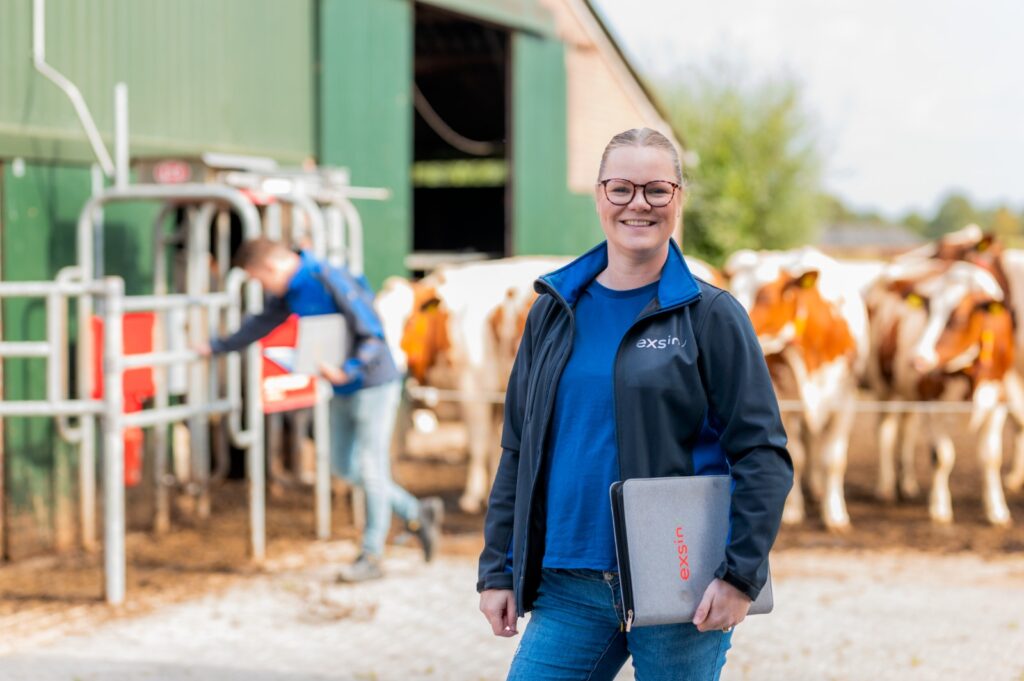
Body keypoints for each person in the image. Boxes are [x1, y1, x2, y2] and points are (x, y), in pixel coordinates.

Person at [477, 128, 793, 680]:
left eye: (656, 190)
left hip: (680, 585)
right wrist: (498, 569)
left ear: (678, 198)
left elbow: (762, 454)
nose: (638, 204)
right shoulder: (552, 311)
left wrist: (739, 576)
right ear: (599, 195)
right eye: (621, 188)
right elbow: (518, 448)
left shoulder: (710, 315)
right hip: (567, 582)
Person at [200, 237, 443, 582]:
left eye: (259, 279)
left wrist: (350, 369)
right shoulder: (291, 290)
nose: (263, 287)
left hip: (371, 383)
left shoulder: (328, 277)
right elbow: (262, 324)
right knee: (342, 463)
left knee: (371, 466)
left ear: (269, 267)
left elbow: (372, 333)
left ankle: (371, 555)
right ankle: (416, 511)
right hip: (340, 384)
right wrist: (218, 346)